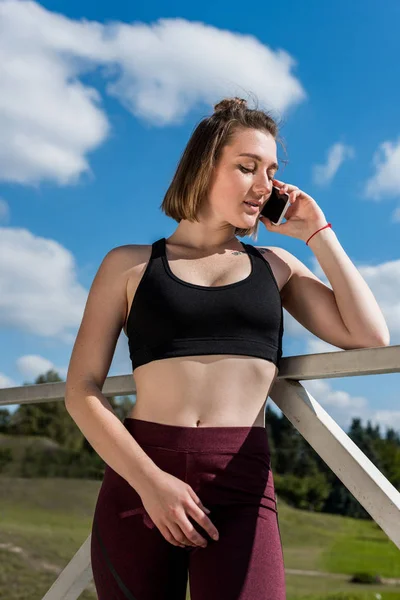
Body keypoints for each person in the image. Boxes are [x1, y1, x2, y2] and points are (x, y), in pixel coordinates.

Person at [65, 96, 390, 600]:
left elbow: (371, 336)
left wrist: (318, 232)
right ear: (203, 167)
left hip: (242, 482)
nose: (264, 186)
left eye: (272, 172)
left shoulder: (276, 266)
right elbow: (81, 390)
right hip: (140, 480)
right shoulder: (127, 266)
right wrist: (151, 483)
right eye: (247, 167)